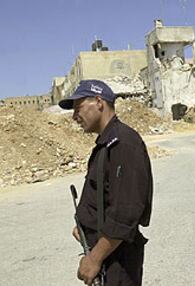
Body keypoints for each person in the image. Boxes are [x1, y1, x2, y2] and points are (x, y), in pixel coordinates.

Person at [59, 80, 153, 286]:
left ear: (99, 102)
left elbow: (125, 212)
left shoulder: (124, 143)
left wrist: (94, 259)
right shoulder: (107, 143)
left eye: (78, 107)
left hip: (116, 258)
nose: (74, 116)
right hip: (106, 254)